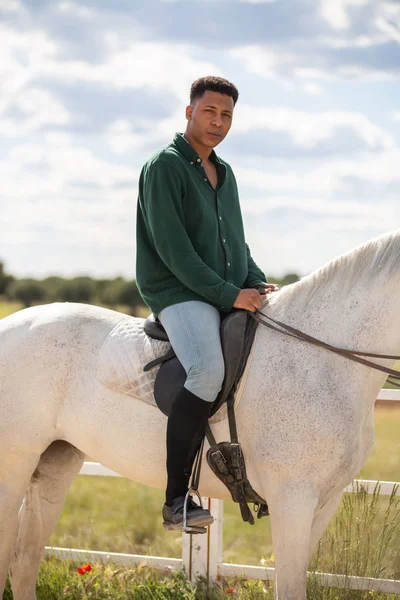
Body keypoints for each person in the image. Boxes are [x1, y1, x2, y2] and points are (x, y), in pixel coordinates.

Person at [136, 76, 278, 531]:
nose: (218, 122)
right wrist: (229, 294)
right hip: (177, 291)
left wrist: (255, 281)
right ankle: (177, 499)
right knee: (208, 371)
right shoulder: (164, 167)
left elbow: (234, 242)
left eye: (227, 116)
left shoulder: (225, 171)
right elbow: (175, 252)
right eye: (209, 112)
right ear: (189, 112)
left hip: (222, 285)